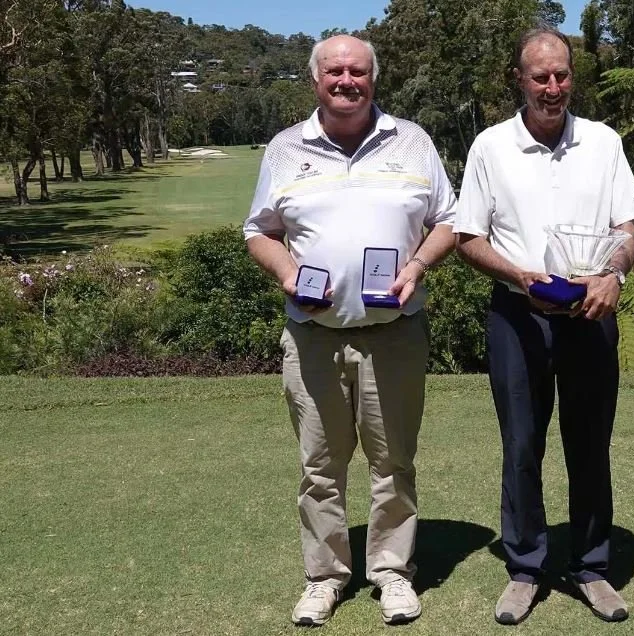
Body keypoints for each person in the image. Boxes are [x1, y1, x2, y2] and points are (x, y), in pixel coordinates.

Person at [243, 35, 456, 628]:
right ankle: (325, 577)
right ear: (316, 80)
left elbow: (449, 220)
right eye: (334, 71)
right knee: (320, 465)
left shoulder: (411, 140)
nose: (346, 80)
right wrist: (286, 271)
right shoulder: (287, 147)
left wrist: (416, 267)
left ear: (373, 78)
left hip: (395, 332)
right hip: (313, 336)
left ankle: (392, 572)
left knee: (394, 462)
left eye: (357, 71)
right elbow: (258, 229)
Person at [454, 22, 634, 626]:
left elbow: (628, 230)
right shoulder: (490, 147)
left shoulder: (603, 142)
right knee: (521, 446)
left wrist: (614, 275)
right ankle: (525, 567)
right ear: (519, 79)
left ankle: (591, 567)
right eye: (540, 76)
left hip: (590, 313)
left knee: (590, 444)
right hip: (518, 314)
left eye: (562, 74)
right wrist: (523, 277)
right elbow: (467, 237)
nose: (553, 86)